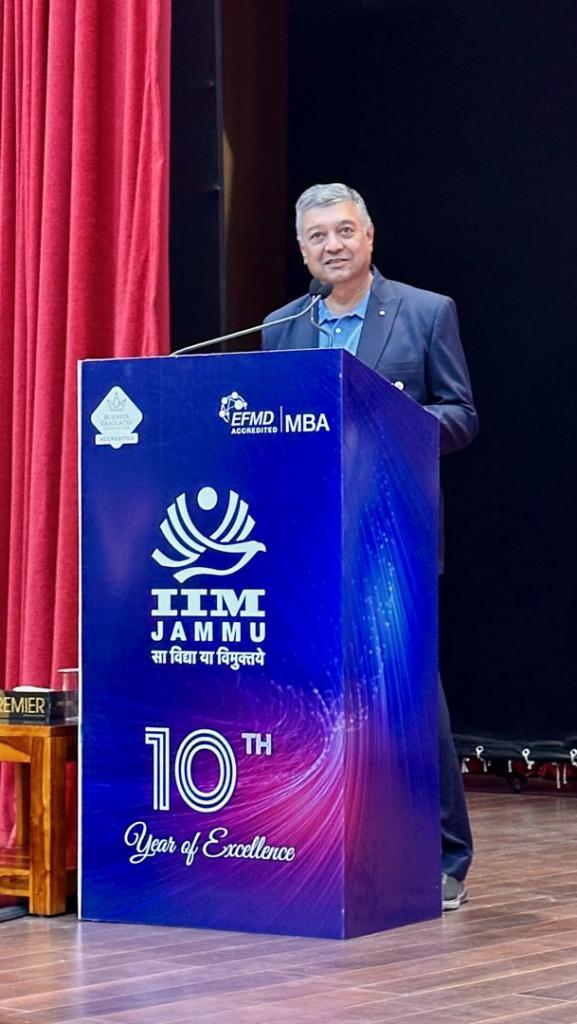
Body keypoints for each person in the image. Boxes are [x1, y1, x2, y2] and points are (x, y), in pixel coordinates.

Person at [262, 182, 478, 911]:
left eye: (344, 230)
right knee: (313, 694)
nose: (333, 245)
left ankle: (443, 858)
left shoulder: (424, 312)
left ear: (369, 236)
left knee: (408, 695)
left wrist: (393, 419)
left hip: (393, 536)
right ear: (302, 251)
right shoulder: (281, 327)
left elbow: (462, 414)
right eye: (317, 236)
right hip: (306, 543)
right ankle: (319, 842)